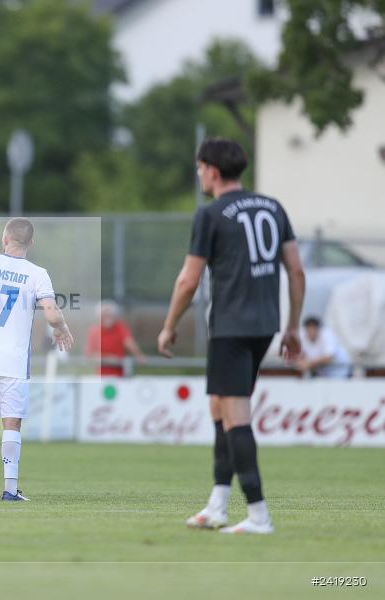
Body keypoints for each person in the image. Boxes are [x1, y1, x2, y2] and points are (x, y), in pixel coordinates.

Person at [157, 137, 305, 535]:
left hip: (230, 327)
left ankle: (258, 516)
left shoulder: (211, 214)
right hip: (265, 325)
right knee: (220, 409)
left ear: (213, 170)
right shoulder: (274, 207)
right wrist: (292, 327)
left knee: (235, 416)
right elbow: (296, 270)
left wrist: (170, 325)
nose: (199, 174)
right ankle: (217, 505)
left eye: (200, 167)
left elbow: (189, 279)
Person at [0, 218, 74, 501]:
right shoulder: (37, 274)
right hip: (13, 358)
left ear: (4, 239)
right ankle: (9, 489)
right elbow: (52, 314)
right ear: (31, 243)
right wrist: (62, 329)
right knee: (11, 422)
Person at [86, 300, 145, 376]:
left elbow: (129, 343)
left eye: (110, 314)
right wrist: (108, 359)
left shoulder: (120, 328)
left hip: (119, 374)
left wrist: (139, 356)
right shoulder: (94, 331)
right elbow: (90, 354)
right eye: (104, 314)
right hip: (100, 375)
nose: (107, 317)